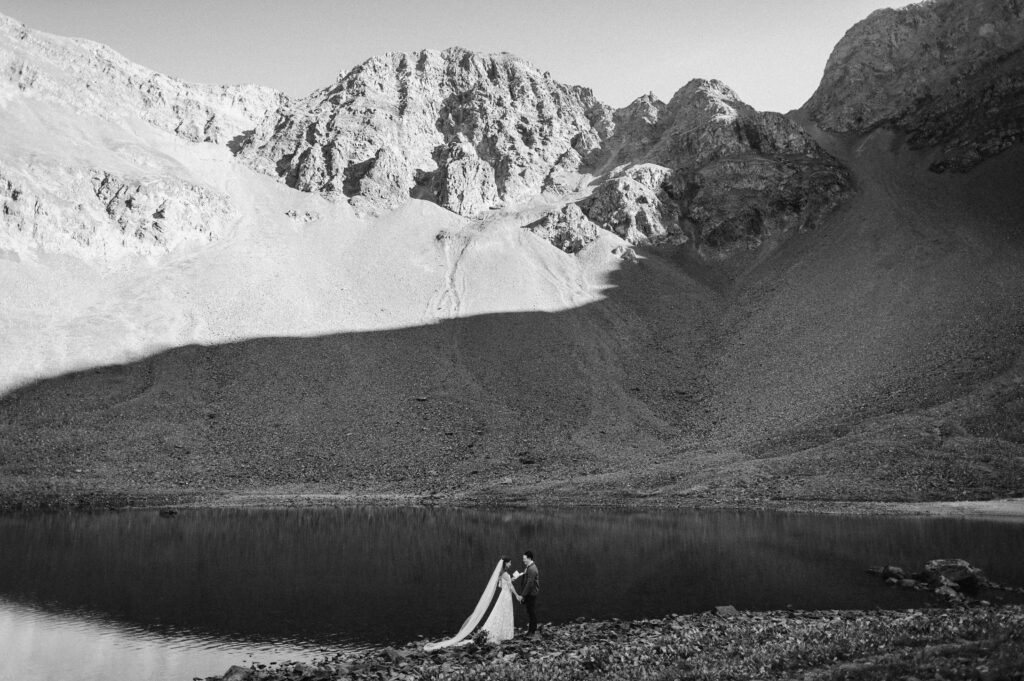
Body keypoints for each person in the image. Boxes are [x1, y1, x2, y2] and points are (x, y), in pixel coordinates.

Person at [479, 556, 521, 643]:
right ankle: (504, 634)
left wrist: (510, 579)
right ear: (505, 563)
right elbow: (510, 586)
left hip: (503, 595)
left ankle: (501, 633)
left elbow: (501, 585)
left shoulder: (502, 573)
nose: (510, 564)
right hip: (506, 596)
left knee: (501, 613)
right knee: (505, 613)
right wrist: (517, 595)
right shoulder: (505, 574)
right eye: (509, 562)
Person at [518, 550, 540, 638]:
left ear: (529, 558)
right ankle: (531, 630)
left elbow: (530, 583)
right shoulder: (529, 567)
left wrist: (522, 595)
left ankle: (532, 631)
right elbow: (527, 579)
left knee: (531, 612)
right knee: (530, 611)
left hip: (531, 593)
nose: (523, 560)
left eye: (524, 558)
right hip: (529, 593)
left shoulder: (532, 568)